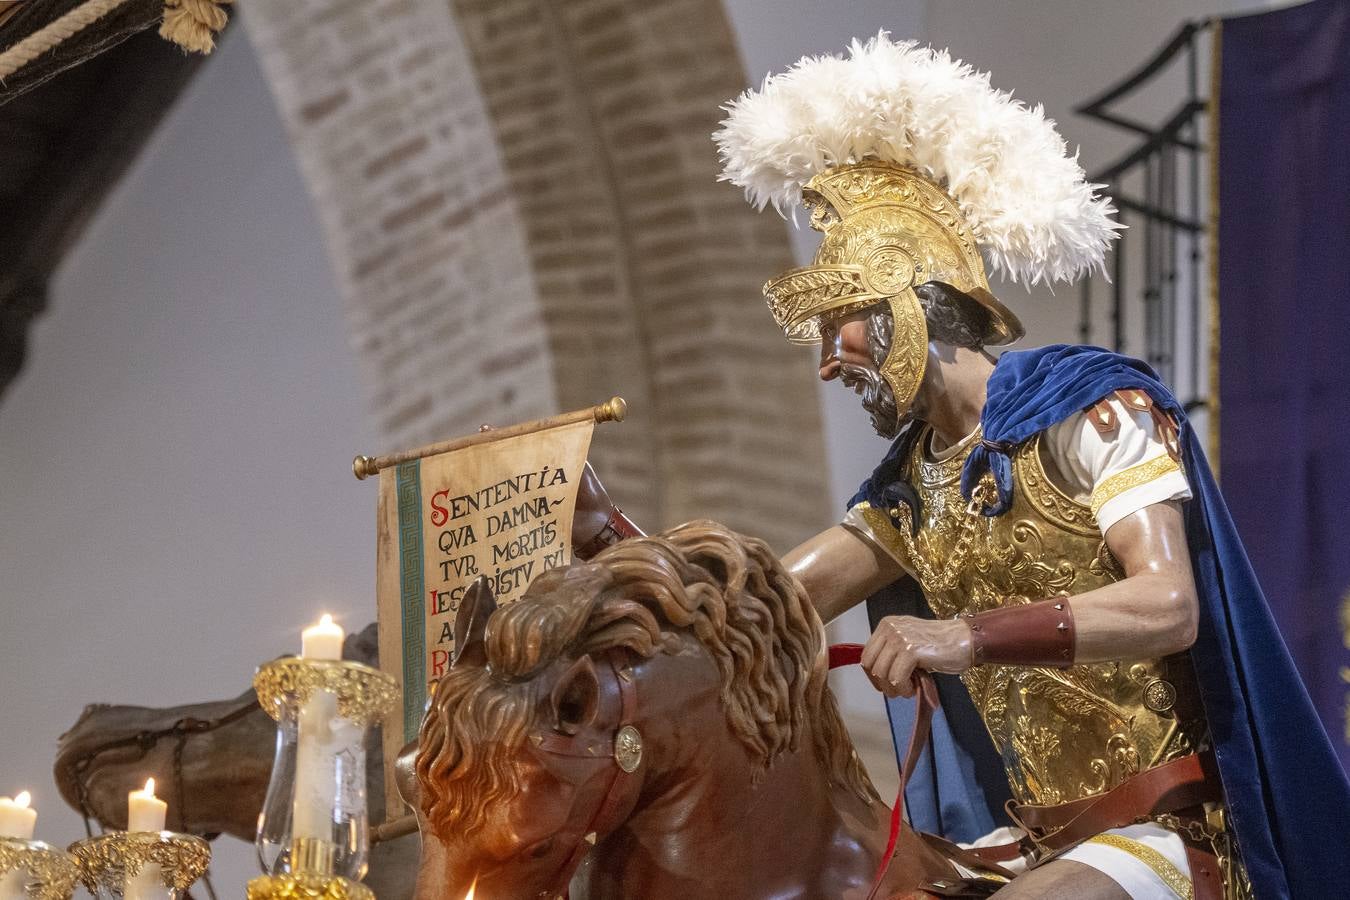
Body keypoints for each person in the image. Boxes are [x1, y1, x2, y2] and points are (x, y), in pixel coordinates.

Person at [700, 33, 1350, 900]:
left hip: (1164, 830)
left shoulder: (1088, 409)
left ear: (905, 300)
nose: (827, 363)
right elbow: (772, 603)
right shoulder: (914, 488)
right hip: (1030, 842)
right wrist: (634, 584)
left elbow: (1168, 604)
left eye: (838, 327)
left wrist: (962, 635)